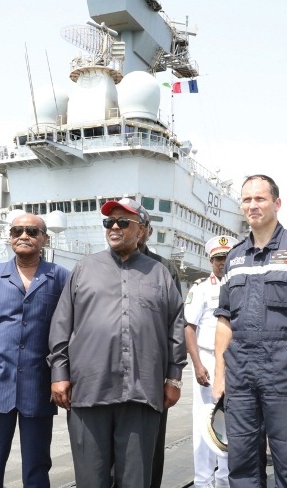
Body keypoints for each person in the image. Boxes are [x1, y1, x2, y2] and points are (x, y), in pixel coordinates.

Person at [48, 197, 187, 488]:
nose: (114, 227)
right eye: (109, 222)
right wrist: (59, 374)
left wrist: (174, 378)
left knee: (136, 481)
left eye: (123, 222)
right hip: (89, 391)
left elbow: (175, 326)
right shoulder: (84, 268)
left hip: (141, 392)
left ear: (141, 230)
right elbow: (61, 323)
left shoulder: (160, 273)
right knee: (90, 480)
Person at [212, 174, 287, 488]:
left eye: (260, 199)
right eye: (247, 200)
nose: (253, 205)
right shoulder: (234, 257)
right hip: (241, 373)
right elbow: (224, 319)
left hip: (286, 370)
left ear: (277, 203)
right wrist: (220, 373)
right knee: (242, 465)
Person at [0, 213, 70, 488]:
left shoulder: (60, 277)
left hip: (39, 387)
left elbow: (69, 332)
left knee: (37, 468)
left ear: (44, 238)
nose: (24, 236)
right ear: (10, 237)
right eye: (17, 231)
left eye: (32, 232)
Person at [184, 235, 237, 488]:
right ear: (211, 261)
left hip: (235, 360)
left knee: (233, 422)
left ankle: (225, 480)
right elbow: (189, 327)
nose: (222, 263)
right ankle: (203, 481)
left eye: (227, 257)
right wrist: (197, 364)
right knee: (205, 422)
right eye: (218, 258)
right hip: (207, 358)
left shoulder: (241, 285)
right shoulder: (201, 288)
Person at [136, 204, 181, 488]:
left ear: (147, 231)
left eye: (138, 225)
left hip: (151, 376)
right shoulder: (98, 267)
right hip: (110, 378)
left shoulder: (164, 268)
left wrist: (172, 378)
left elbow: (175, 324)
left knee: (151, 447)